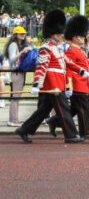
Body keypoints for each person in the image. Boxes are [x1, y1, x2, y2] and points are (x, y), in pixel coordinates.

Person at [15, 10, 83, 144]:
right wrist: (36, 84)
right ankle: (71, 135)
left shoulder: (57, 48)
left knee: (43, 110)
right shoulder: (46, 48)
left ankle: (24, 129)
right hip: (52, 84)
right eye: (59, 33)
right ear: (53, 34)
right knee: (64, 109)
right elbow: (41, 67)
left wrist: (80, 70)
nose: (61, 35)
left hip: (58, 83)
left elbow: (67, 62)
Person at [46, 15, 89, 140]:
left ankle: (54, 121)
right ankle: (86, 132)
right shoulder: (71, 51)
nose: (83, 38)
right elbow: (68, 69)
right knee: (83, 108)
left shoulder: (80, 50)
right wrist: (69, 86)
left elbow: (88, 64)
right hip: (77, 85)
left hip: (84, 85)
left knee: (74, 109)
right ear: (75, 37)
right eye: (81, 36)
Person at [5, 26, 32, 126]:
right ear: (15, 35)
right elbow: (12, 60)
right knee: (15, 97)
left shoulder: (20, 44)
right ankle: (12, 120)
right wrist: (22, 52)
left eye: (24, 33)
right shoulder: (13, 44)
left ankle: (14, 119)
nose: (23, 35)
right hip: (16, 73)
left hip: (20, 72)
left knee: (16, 96)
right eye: (21, 33)